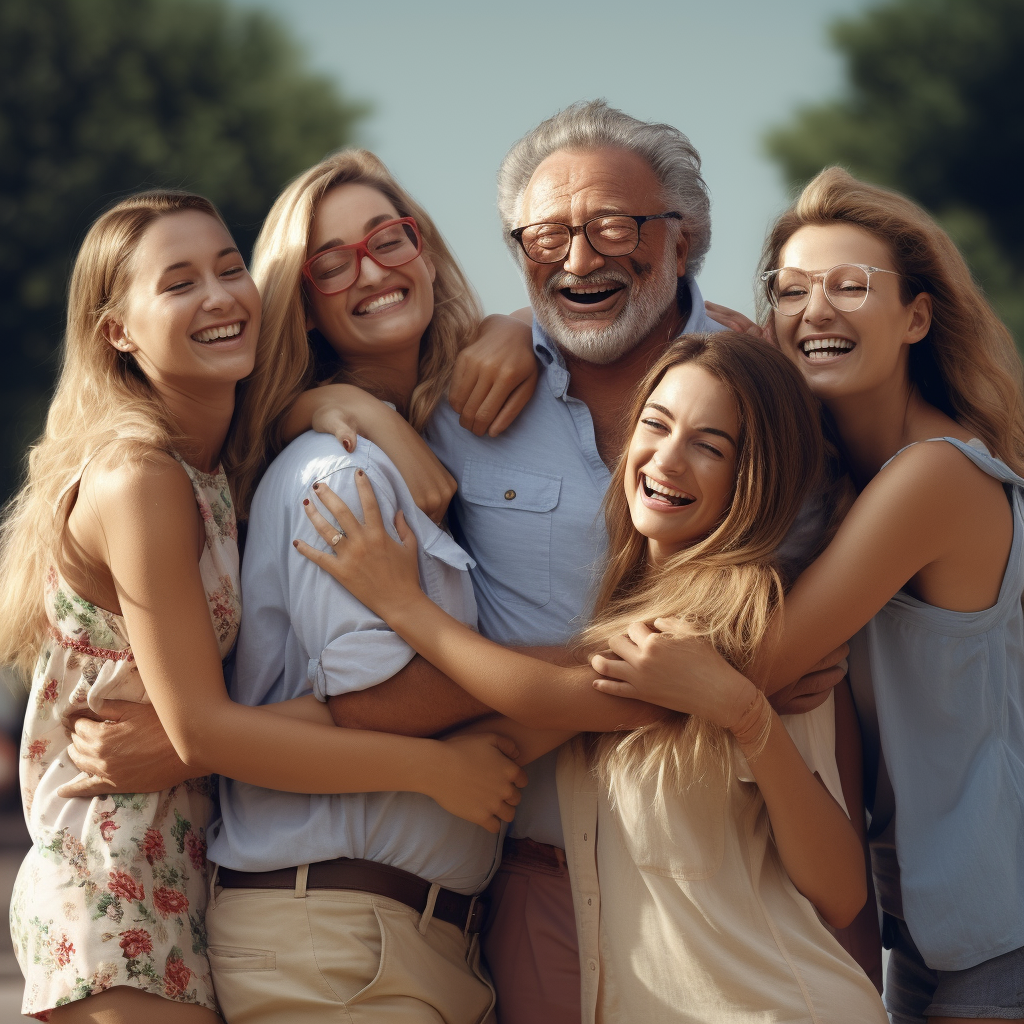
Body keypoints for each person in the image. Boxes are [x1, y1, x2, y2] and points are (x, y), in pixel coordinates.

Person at [322, 99, 852, 1022]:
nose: (578, 260)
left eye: (613, 227)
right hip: (533, 881)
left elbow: (788, 653)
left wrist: (748, 669)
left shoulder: (783, 397)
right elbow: (290, 396)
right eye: (547, 235)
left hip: (740, 880)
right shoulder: (460, 396)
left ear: (682, 239)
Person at [0, 190, 526, 1023]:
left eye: (229, 267)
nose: (218, 296)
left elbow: (201, 734)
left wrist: (345, 407)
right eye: (178, 283)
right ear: (118, 331)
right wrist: (432, 768)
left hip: (185, 881)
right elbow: (201, 731)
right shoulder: (139, 479)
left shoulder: (212, 470)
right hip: (116, 893)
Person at [294, 332, 888, 1023]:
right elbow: (532, 709)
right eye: (656, 425)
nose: (666, 458)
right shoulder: (632, 616)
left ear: (751, 477)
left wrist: (404, 607)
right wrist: (218, 730)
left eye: (710, 445)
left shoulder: (739, 622)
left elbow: (842, 893)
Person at [594, 168, 1024, 1024]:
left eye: (849, 286)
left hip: (1002, 928)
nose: (814, 310)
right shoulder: (837, 486)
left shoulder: (935, 478)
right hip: (937, 930)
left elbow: (748, 662)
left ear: (917, 317)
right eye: (790, 291)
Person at [192, 148, 543, 1024]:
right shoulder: (339, 477)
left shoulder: (440, 439)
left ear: (423, 249)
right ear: (303, 306)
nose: (372, 270)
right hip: (338, 946)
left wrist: (522, 327)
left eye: (388, 239)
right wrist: (608, 677)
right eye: (331, 262)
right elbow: (377, 701)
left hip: (412, 943)